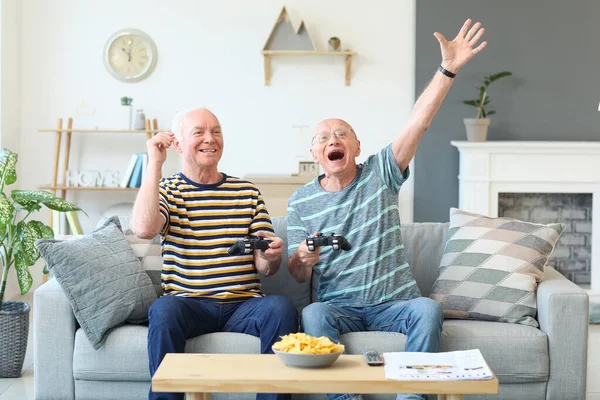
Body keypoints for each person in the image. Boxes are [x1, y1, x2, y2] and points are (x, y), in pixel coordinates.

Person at [286, 19, 487, 400]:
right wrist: (303, 256)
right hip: (338, 306)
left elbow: (419, 122)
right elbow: (296, 275)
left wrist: (448, 69)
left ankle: (410, 397)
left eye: (342, 134)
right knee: (313, 315)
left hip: (394, 302)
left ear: (357, 146)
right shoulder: (300, 202)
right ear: (314, 154)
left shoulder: (381, 173)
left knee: (427, 309)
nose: (334, 139)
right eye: (324, 137)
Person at [131, 107, 298, 400]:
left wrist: (269, 256)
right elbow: (144, 229)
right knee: (163, 310)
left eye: (216, 131)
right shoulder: (169, 190)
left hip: (243, 305)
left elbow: (265, 267)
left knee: (281, 308)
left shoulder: (247, 192)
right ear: (179, 144)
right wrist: (154, 163)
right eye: (199, 132)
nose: (211, 138)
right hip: (188, 304)